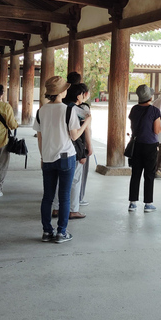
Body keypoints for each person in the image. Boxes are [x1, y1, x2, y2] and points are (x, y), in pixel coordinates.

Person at [34, 76, 91, 244]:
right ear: (61, 92)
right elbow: (74, 135)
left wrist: (43, 156)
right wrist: (86, 123)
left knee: (48, 197)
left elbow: (40, 137)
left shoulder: (41, 110)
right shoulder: (68, 110)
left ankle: (46, 232)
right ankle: (61, 232)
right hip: (66, 157)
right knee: (64, 196)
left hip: (48, 157)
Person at [51, 83, 92, 219]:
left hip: (57, 147)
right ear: (78, 95)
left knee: (58, 180)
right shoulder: (76, 110)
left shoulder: (58, 107)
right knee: (75, 180)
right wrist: (87, 148)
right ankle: (73, 209)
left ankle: (56, 208)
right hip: (74, 148)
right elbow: (84, 130)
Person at [127, 84, 161, 213]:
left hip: (136, 144)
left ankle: (132, 203)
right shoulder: (154, 111)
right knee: (149, 175)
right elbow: (156, 131)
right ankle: (148, 204)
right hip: (150, 146)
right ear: (150, 97)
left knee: (135, 174)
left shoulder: (134, 109)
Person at [66, 72, 92, 206]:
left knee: (62, 178)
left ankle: (58, 204)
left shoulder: (62, 103)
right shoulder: (79, 108)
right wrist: (88, 146)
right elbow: (82, 130)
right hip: (77, 144)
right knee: (77, 177)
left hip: (62, 146)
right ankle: (76, 203)